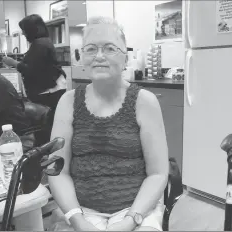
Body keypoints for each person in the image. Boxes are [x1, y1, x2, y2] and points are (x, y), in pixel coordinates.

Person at [48, 17, 169, 231]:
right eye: (91, 49)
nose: (99, 56)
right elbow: (57, 170)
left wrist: (130, 220)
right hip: (80, 208)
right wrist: (78, 220)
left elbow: (158, 173)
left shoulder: (144, 101)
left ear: (126, 58)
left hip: (136, 208)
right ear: (81, 57)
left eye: (110, 48)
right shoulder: (68, 102)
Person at [2, 14, 66, 144]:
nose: (23, 33)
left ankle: (45, 153)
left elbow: (32, 70)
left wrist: (13, 63)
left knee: (46, 126)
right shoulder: (44, 42)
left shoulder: (40, 44)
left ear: (31, 30)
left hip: (48, 90)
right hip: (52, 88)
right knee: (51, 124)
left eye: (24, 30)